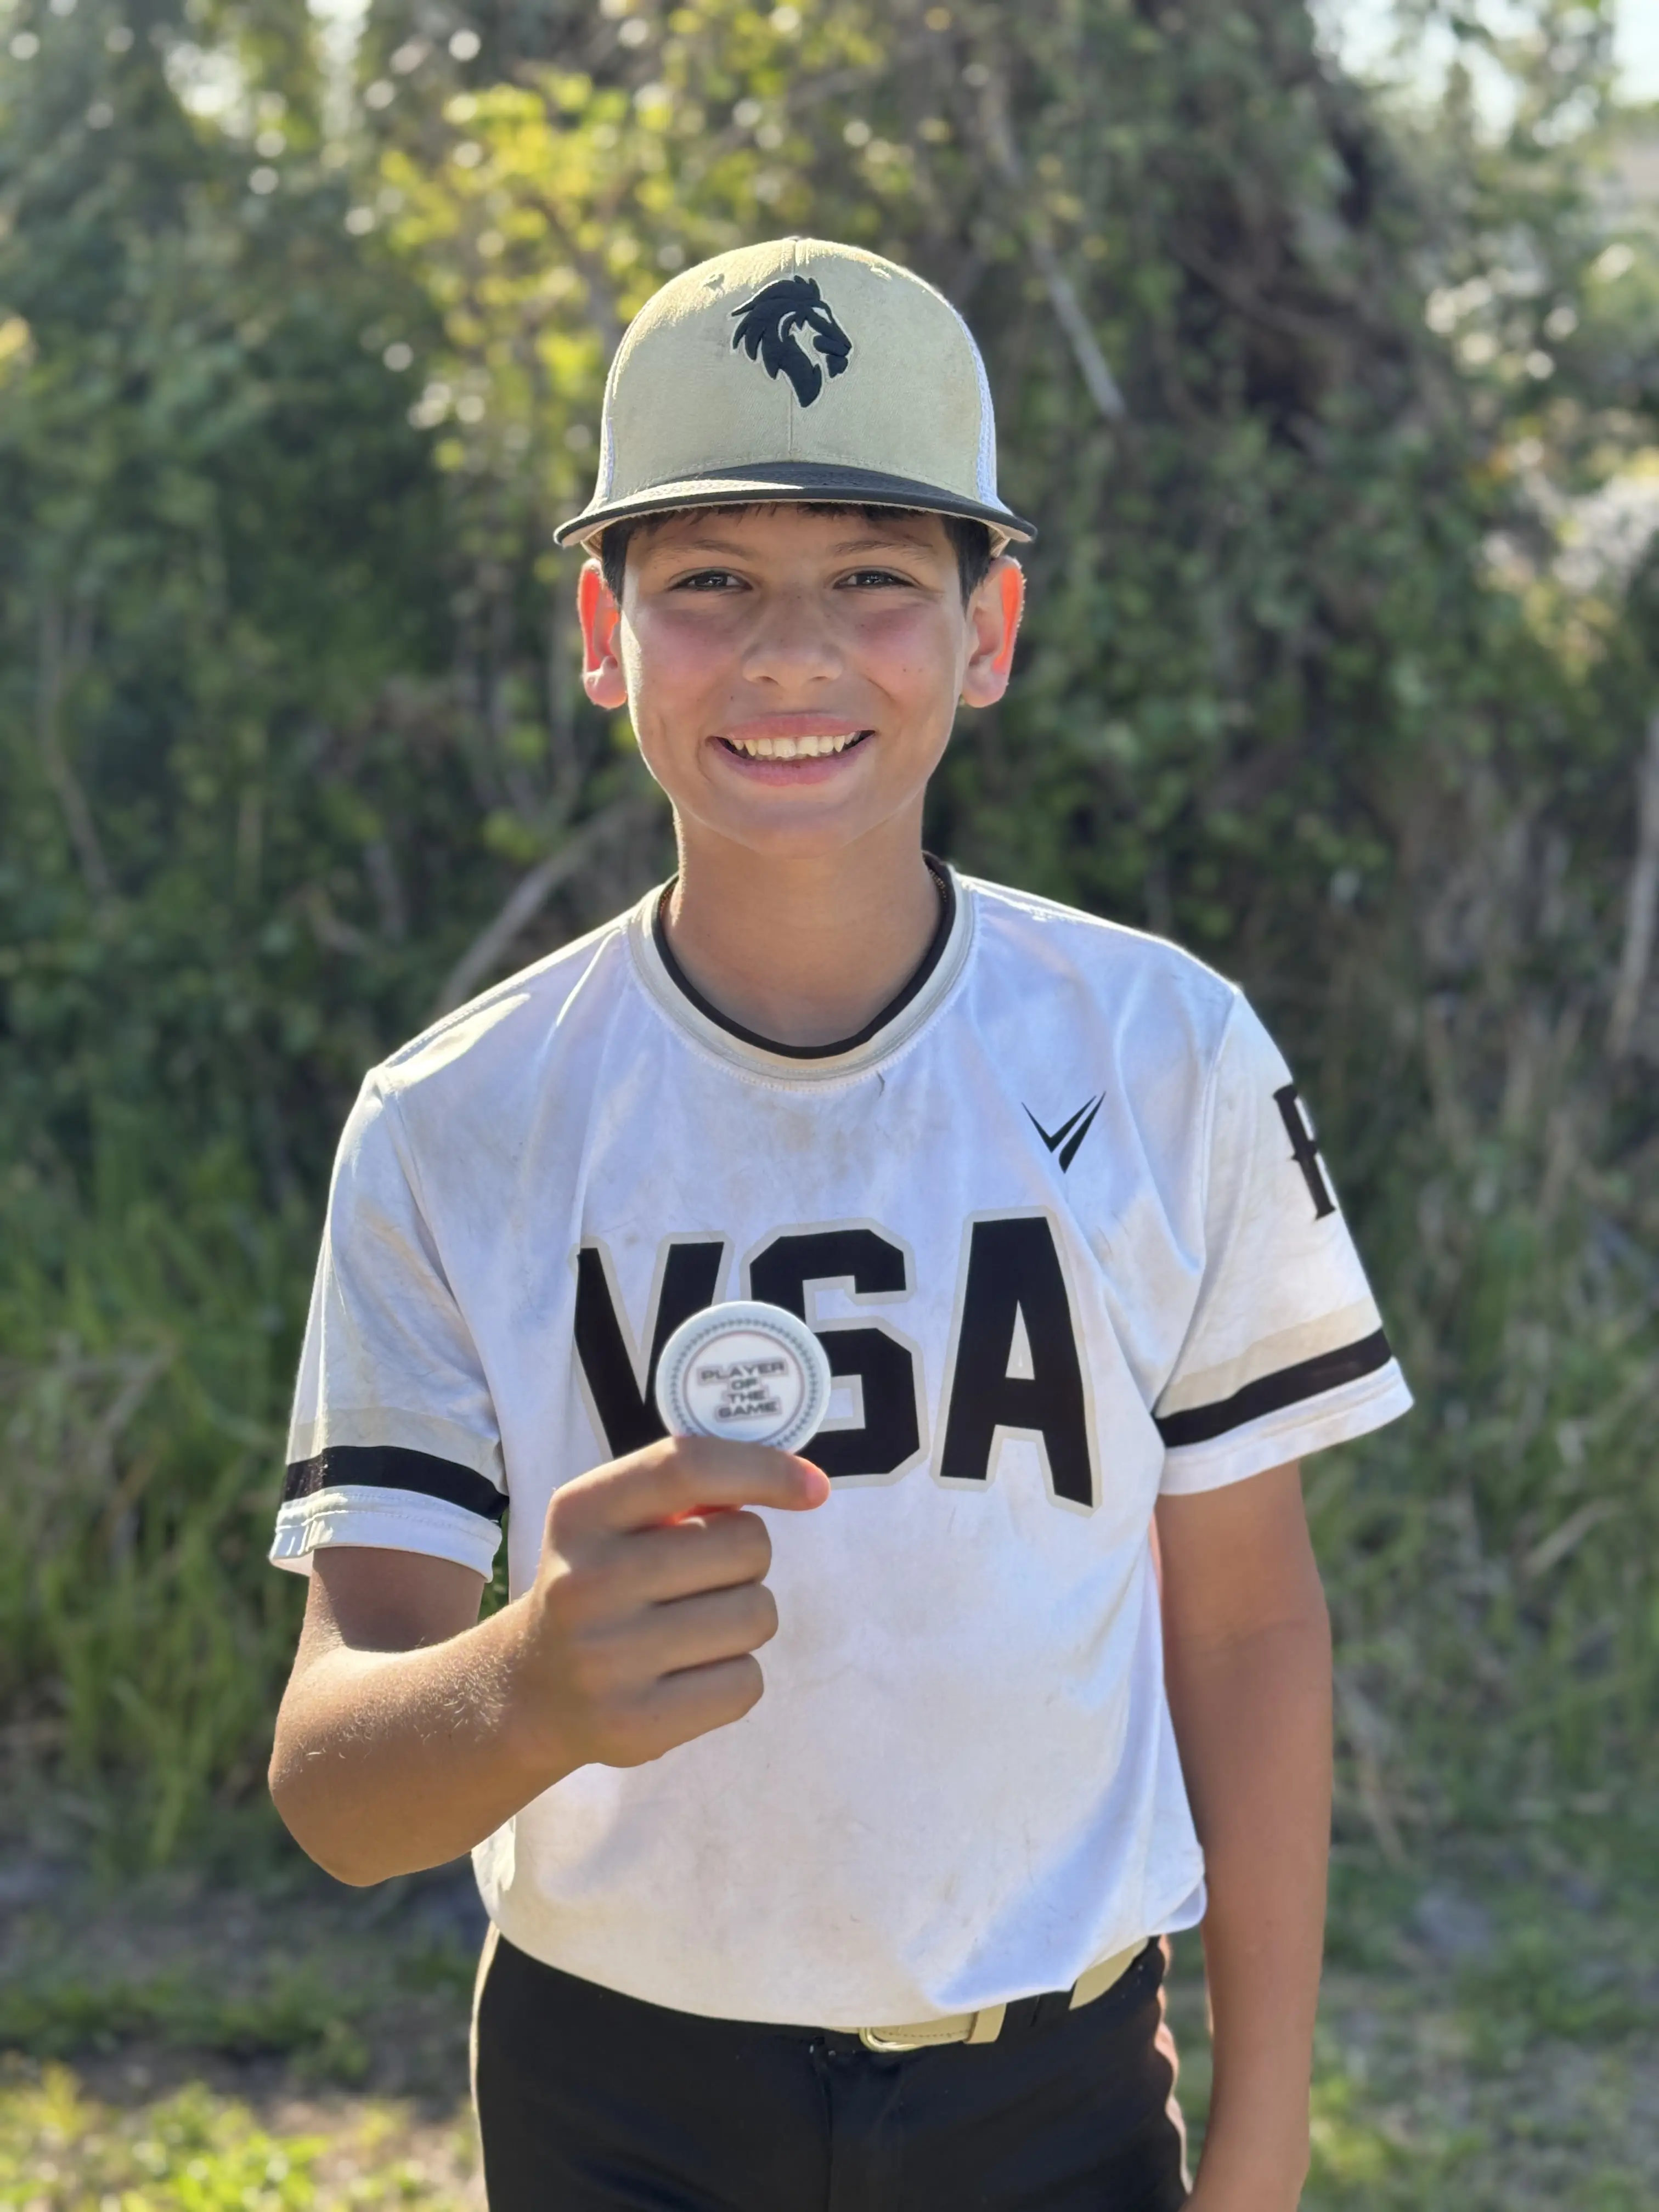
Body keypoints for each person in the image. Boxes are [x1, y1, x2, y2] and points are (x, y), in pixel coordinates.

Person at [268, 238, 1412, 2211]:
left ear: (990, 627)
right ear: (605, 632)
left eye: (876, 576)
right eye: (709, 580)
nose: (791, 654)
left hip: (1049, 2086)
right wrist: (526, 1686)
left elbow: (1245, 1621)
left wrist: (1264, 2133)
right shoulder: (457, 1121)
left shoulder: (1166, 1055)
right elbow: (337, 1790)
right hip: (616, 2092)